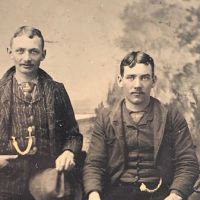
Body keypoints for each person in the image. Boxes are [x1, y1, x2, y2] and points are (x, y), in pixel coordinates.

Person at [83, 51, 199, 200]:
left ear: (154, 81)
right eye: (131, 77)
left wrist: (176, 194)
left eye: (144, 78)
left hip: (162, 193)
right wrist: (94, 194)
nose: (137, 85)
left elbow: (187, 162)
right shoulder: (106, 118)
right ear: (120, 80)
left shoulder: (172, 117)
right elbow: (94, 164)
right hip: (115, 193)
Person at [0, 26, 83, 200]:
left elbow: (73, 135)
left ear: (43, 54)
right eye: (20, 51)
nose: (26, 58)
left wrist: (68, 152)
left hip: (48, 180)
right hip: (6, 181)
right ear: (10, 52)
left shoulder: (57, 91)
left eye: (33, 52)